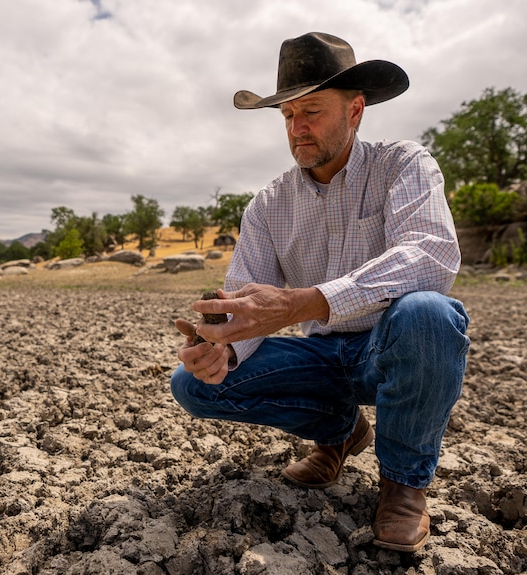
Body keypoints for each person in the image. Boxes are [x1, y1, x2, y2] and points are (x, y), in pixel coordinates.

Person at [170, 31, 470, 552]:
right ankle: (340, 432)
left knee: (430, 313)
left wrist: (303, 302)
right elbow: (246, 303)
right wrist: (221, 347)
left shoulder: (403, 164)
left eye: (312, 110)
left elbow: (433, 254)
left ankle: (403, 485)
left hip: (388, 347)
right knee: (192, 386)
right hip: (323, 354)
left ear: (355, 111)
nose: (297, 128)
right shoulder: (268, 204)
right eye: (287, 115)